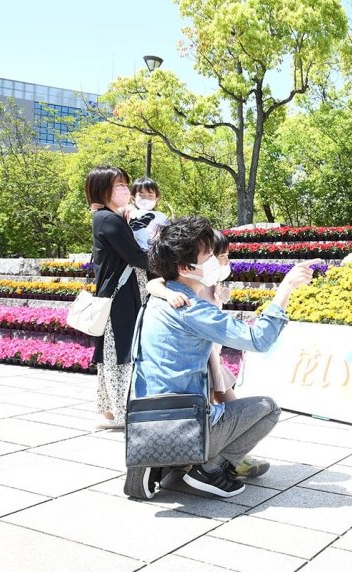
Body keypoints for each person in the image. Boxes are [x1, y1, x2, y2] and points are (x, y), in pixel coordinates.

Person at [125, 215, 318, 498]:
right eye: (209, 256)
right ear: (185, 267)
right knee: (268, 407)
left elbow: (155, 285)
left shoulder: (158, 300)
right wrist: (285, 289)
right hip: (184, 420)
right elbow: (258, 339)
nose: (216, 261)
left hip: (146, 416)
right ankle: (208, 470)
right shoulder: (191, 307)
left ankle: (159, 459)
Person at [85, 166, 150, 430]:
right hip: (118, 297)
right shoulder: (109, 220)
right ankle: (122, 411)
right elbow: (137, 256)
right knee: (119, 352)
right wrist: (174, 262)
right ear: (103, 190)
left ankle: (112, 410)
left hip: (120, 294)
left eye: (125, 184)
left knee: (116, 351)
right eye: (118, 185)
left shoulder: (109, 217)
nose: (125, 189)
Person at [147, 230, 238, 403]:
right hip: (203, 357)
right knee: (212, 400)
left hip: (213, 352)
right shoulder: (195, 283)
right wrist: (168, 294)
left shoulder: (212, 284)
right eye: (221, 256)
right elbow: (153, 284)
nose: (226, 261)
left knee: (225, 400)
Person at [128, 177, 169, 303]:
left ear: (157, 198)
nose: (146, 198)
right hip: (134, 261)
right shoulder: (128, 214)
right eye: (141, 195)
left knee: (155, 295)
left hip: (156, 260)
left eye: (150, 195)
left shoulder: (162, 217)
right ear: (133, 198)